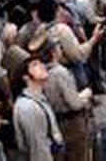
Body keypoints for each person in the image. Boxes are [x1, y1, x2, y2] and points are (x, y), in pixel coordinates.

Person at [32, 33, 92, 161]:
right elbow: (74, 104)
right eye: (58, 46)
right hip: (71, 124)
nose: (61, 49)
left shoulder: (40, 73)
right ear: (53, 53)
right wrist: (86, 94)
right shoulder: (60, 72)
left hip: (55, 122)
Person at [5, 45, 64, 161]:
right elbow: (39, 152)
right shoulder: (28, 108)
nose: (42, 65)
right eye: (35, 65)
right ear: (25, 77)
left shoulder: (37, 98)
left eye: (40, 63)